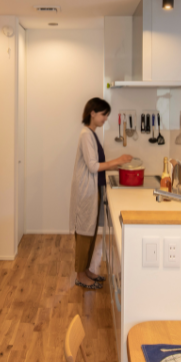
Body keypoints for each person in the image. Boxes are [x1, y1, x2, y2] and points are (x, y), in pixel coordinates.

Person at [69, 98, 132, 289]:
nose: (105, 118)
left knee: (90, 231)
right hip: (86, 190)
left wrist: (116, 165)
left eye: (107, 115)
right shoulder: (86, 135)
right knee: (84, 233)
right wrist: (118, 160)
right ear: (92, 113)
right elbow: (93, 166)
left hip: (92, 188)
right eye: (104, 114)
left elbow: (96, 164)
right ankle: (80, 276)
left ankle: (86, 270)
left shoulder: (91, 134)